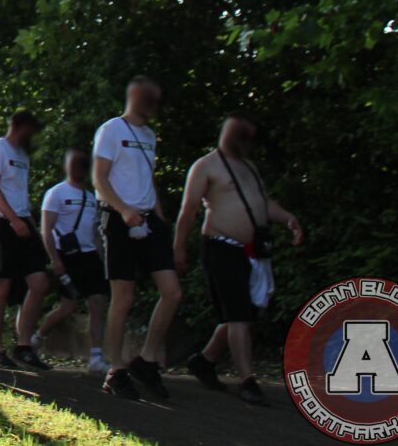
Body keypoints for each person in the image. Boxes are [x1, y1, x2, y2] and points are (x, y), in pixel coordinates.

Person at [175, 113, 305, 406]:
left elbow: (263, 203)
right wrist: (178, 248)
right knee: (238, 314)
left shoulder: (249, 167)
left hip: (252, 251)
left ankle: (205, 361)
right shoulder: (205, 166)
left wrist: (288, 218)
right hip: (220, 247)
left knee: (245, 312)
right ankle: (247, 379)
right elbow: (189, 210)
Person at [93, 76, 181, 400]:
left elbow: (147, 178)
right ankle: (115, 370)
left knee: (172, 292)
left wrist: (158, 215)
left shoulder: (149, 135)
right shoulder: (111, 130)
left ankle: (145, 361)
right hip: (117, 218)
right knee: (124, 297)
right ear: (135, 96)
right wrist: (123, 209)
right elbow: (99, 179)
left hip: (148, 219)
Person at [0, 110, 51, 370]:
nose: (31, 135)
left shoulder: (22, 155)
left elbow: (20, 192)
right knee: (1, 285)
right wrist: (13, 220)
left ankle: (23, 345)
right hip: (0, 223)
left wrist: (29, 223)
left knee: (39, 282)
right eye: (29, 129)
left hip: (22, 222)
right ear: (20, 126)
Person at [35, 147, 111, 374]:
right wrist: (54, 260)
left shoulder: (91, 197)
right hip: (68, 257)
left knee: (97, 303)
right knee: (68, 306)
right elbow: (46, 230)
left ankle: (96, 357)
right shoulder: (56, 193)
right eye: (74, 163)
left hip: (90, 257)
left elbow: (96, 230)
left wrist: (101, 255)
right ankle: (37, 337)